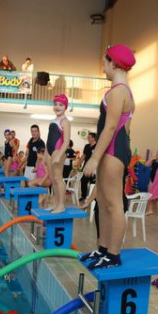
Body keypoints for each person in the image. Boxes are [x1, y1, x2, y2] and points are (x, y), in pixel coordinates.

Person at [81, 44, 136, 269]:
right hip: (110, 151)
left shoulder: (119, 91)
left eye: (104, 63)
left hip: (114, 151)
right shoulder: (118, 90)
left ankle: (113, 255)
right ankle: (102, 249)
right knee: (102, 202)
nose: (103, 68)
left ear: (113, 63)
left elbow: (111, 127)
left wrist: (94, 157)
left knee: (114, 204)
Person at [46, 94, 71, 214]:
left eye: (60, 105)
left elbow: (66, 142)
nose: (57, 107)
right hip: (50, 151)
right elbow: (49, 138)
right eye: (55, 104)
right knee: (53, 179)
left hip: (58, 151)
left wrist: (59, 155)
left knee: (58, 178)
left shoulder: (65, 121)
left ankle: (61, 205)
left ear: (65, 107)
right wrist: (46, 154)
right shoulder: (53, 121)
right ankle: (55, 203)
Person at [79, 132, 97, 202]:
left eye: (89, 137)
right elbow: (84, 156)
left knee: (93, 184)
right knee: (83, 181)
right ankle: (83, 196)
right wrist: (79, 163)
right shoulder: (86, 146)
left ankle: (93, 197)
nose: (87, 138)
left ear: (93, 138)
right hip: (86, 168)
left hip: (94, 169)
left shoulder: (97, 146)